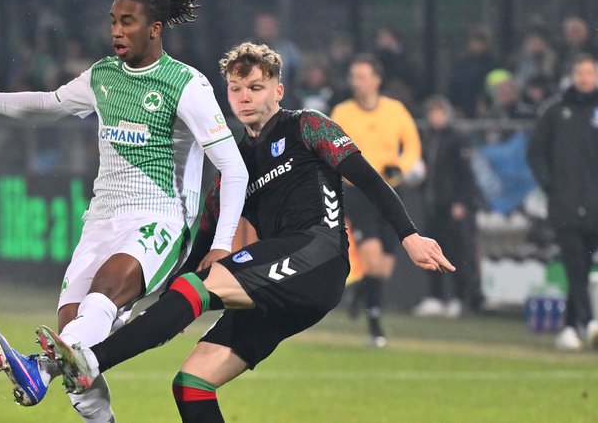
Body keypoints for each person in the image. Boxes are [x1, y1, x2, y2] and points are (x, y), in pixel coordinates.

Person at [33, 42, 453, 422]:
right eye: (236, 89)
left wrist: (409, 235)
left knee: (198, 288)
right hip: (279, 288)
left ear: (278, 91)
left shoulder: (307, 125)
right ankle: (85, 361)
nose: (245, 97)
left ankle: (89, 362)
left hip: (317, 257)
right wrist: (162, 303)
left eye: (255, 87)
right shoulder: (234, 163)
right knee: (192, 384)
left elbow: (370, 179)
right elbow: (202, 239)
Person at [0, 0, 248, 420]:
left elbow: (234, 168)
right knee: (75, 346)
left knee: (102, 297)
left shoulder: (186, 84)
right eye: (113, 21)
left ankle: (37, 368)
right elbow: (47, 103)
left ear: (155, 28)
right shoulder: (103, 76)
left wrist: (222, 244)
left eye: (128, 22)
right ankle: (77, 396)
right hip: (100, 221)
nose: (116, 30)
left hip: (159, 220)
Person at [330, 53, 423, 347]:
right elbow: (329, 147)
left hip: (390, 192)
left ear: (376, 80)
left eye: (362, 76)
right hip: (358, 193)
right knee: (370, 258)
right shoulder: (343, 112)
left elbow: (412, 145)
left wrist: (401, 166)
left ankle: (362, 293)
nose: (356, 82)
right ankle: (375, 325)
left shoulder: (395, 111)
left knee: (383, 267)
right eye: (353, 76)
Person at [527, 53, 598, 351]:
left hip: (594, 206)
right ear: (571, 76)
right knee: (574, 263)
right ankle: (590, 321)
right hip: (564, 204)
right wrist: (551, 186)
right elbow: (536, 152)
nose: (585, 78)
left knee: (584, 266)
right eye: (580, 73)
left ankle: (570, 326)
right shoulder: (555, 111)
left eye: (590, 73)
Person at [412, 95, 482, 318]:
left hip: (451, 207)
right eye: (432, 113)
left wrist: (462, 202)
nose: (435, 117)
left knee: (456, 252)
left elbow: (466, 175)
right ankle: (436, 297)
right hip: (432, 206)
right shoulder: (427, 139)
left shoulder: (457, 140)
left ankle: (459, 297)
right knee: (431, 252)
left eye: (439, 112)